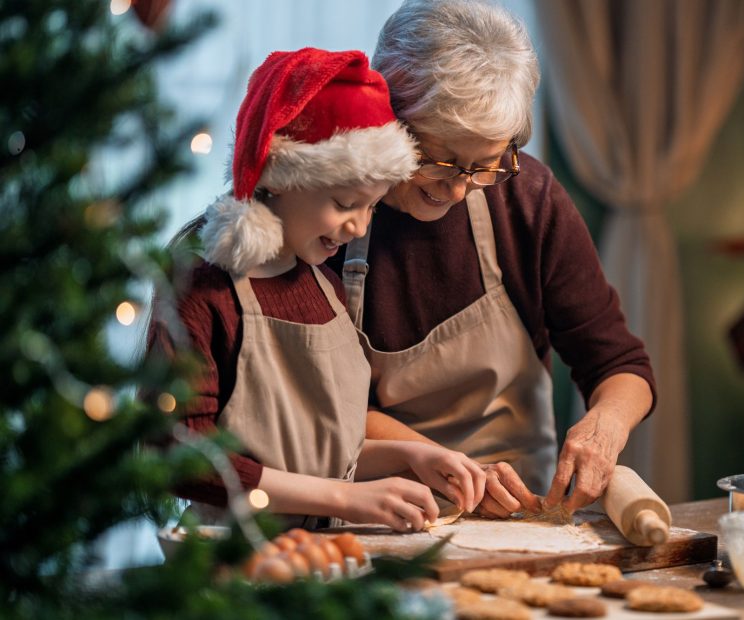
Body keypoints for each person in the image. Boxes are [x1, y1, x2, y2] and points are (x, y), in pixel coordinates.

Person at [328, 0, 656, 518]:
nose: (459, 190)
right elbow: (323, 406)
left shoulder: (527, 199)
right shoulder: (329, 214)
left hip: (520, 508)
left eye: (484, 165)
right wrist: (447, 465)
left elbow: (620, 364)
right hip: (377, 506)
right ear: (386, 118)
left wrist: (605, 426)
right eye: (440, 161)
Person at [147, 47, 485, 532]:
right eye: (345, 202)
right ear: (279, 178)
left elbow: (316, 454)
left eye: (370, 207)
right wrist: (345, 498)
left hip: (325, 561)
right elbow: (179, 454)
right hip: (235, 566)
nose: (357, 225)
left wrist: (410, 457)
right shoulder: (203, 287)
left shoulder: (322, 285)